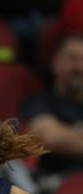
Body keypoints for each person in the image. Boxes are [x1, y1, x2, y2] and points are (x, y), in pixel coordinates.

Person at [23, 32, 83, 179]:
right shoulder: (39, 102)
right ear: (55, 62)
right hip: (58, 183)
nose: (79, 67)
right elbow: (50, 139)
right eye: (72, 59)